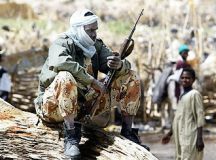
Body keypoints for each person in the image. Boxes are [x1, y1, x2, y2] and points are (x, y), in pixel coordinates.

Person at [34, 9, 148, 158]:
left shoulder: (95, 46)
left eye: (95, 29)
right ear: (79, 29)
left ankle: (128, 132)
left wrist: (118, 64)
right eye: (90, 30)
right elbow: (60, 62)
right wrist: (92, 81)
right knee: (65, 76)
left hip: (83, 107)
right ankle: (71, 138)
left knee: (131, 77)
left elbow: (116, 66)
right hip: (53, 107)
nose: (94, 34)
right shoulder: (62, 43)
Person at [162, 68, 205, 160]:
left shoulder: (194, 94)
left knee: (189, 157)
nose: (184, 80)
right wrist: (169, 134)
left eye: (188, 78)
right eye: (182, 78)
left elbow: (200, 117)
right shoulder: (182, 96)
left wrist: (200, 138)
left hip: (190, 136)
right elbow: (178, 118)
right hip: (180, 136)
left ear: (193, 80)